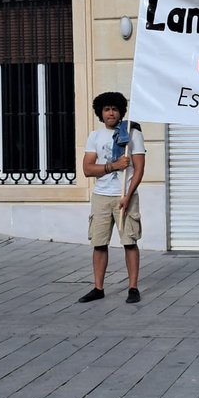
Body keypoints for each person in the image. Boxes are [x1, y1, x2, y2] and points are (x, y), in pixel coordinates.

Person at [79, 92, 146, 304]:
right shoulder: (95, 136)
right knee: (99, 243)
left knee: (129, 242)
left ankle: (133, 287)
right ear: (100, 113)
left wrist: (128, 195)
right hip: (101, 196)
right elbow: (88, 169)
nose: (111, 113)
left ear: (121, 112)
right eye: (107, 109)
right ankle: (98, 288)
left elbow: (139, 169)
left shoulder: (132, 134)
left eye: (115, 109)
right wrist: (113, 166)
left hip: (125, 195)